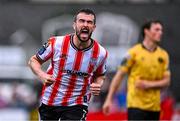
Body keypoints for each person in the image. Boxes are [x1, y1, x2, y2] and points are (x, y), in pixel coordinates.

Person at [28, 8, 108, 121]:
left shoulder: (101, 53)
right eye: (81, 21)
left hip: (78, 103)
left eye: (89, 22)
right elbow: (33, 60)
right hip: (50, 100)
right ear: (74, 25)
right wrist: (42, 75)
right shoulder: (56, 43)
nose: (85, 25)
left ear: (94, 27)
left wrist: (98, 84)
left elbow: (100, 74)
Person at [103, 20, 170, 120]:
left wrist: (148, 84)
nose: (160, 32)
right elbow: (119, 76)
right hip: (136, 106)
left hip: (155, 106)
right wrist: (109, 99)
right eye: (157, 29)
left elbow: (167, 81)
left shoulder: (163, 55)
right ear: (146, 31)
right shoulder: (132, 53)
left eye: (161, 30)